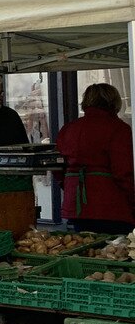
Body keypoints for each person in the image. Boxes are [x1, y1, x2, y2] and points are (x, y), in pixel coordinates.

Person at [56, 83, 135, 234]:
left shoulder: (69, 129)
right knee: (116, 252)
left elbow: (57, 166)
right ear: (114, 102)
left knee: (86, 250)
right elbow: (124, 172)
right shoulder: (119, 129)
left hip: (77, 206)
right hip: (111, 206)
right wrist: (132, 202)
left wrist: (71, 187)